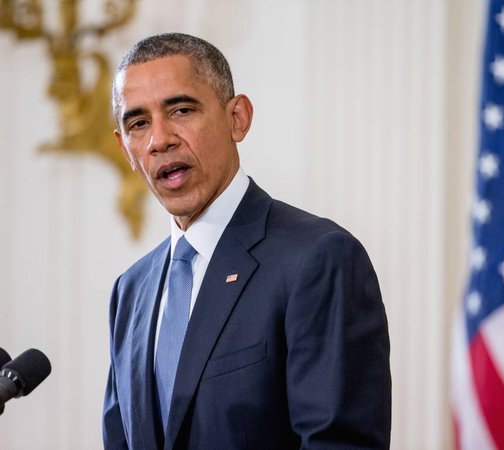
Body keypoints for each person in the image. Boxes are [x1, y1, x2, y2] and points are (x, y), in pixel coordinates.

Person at [103, 32, 391, 450]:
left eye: (181, 109)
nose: (159, 139)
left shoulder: (317, 258)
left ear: (237, 118)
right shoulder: (130, 291)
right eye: (138, 123)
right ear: (125, 149)